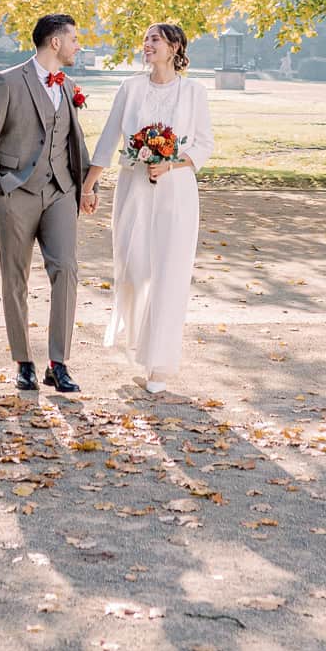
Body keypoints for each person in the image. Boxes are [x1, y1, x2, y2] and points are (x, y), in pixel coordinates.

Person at [81, 21, 213, 395]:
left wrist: (172, 163)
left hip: (177, 193)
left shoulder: (193, 92)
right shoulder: (130, 88)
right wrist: (89, 187)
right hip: (134, 189)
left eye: (154, 39)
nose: (147, 45)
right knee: (134, 271)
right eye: (145, 40)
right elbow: (108, 139)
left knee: (170, 275)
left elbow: (204, 143)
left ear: (174, 47)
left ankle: (159, 367)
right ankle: (138, 346)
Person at [0, 13, 92, 394]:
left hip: (61, 192)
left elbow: (75, 139)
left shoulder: (69, 85)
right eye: (74, 38)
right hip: (16, 194)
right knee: (16, 278)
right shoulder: (7, 82)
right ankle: (23, 361)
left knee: (67, 271)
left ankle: (59, 362)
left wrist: (86, 185)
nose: (78, 45)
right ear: (54, 42)